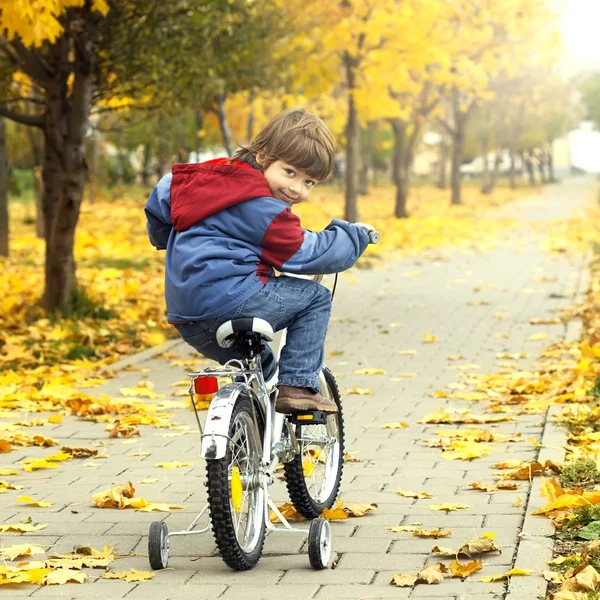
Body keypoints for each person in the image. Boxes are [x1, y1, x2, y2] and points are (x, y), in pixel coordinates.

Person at [145, 108, 374, 414]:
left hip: (188, 317)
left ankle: (248, 432)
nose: (296, 189)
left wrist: (165, 238)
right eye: (290, 172)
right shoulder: (261, 207)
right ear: (264, 156)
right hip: (234, 300)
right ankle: (298, 385)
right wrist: (352, 238)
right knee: (315, 298)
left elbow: (162, 196)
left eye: (309, 182)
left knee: (258, 367)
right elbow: (305, 252)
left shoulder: (208, 180)